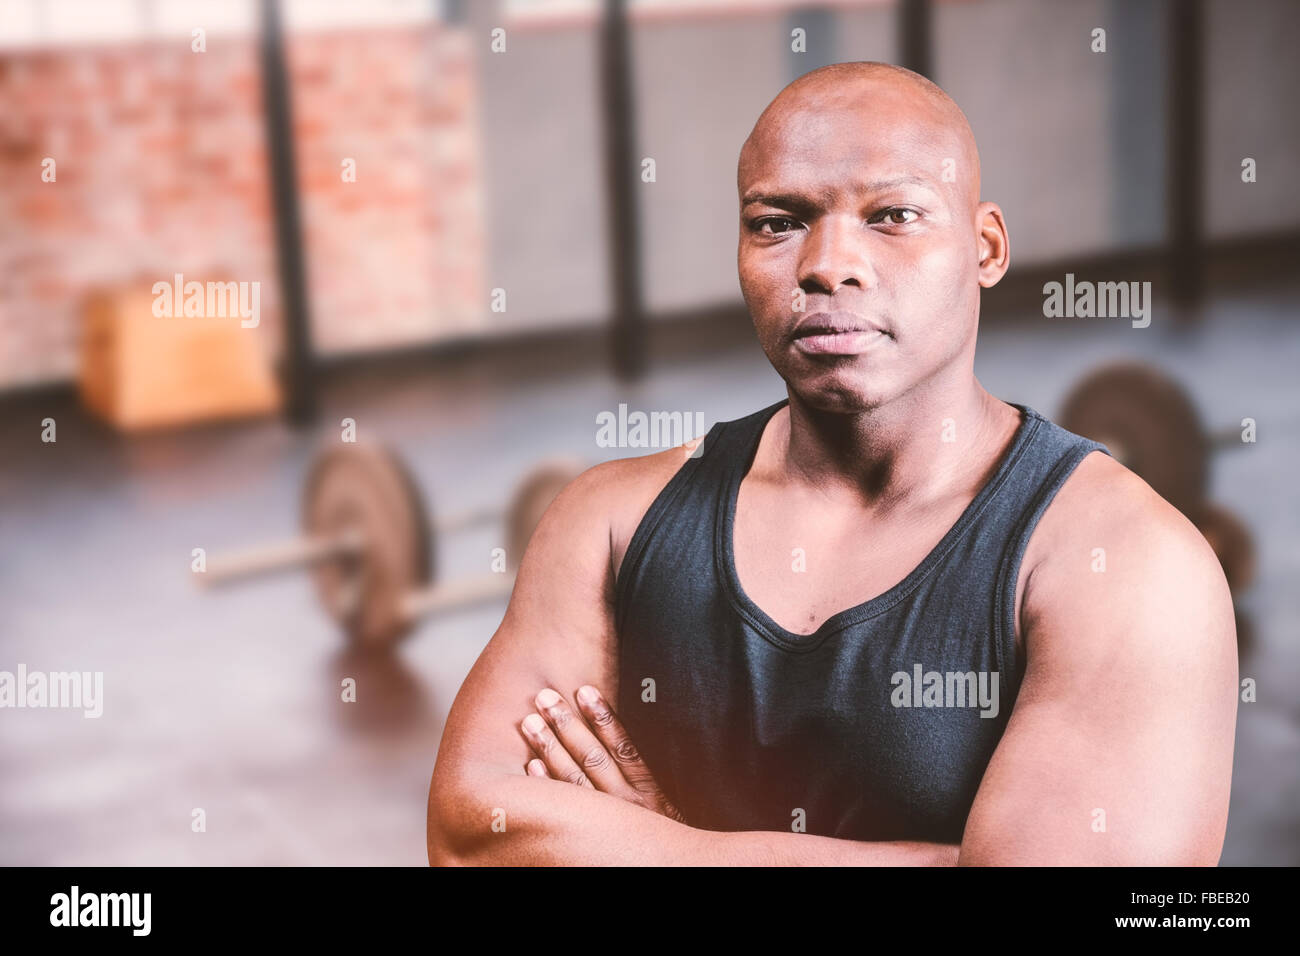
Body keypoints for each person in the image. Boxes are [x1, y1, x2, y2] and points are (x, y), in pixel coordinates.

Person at [426, 61, 1237, 865]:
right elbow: (468, 837)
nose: (825, 264)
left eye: (892, 216)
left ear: (985, 248)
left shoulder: (1128, 565)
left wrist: (661, 843)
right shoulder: (608, 521)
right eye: (777, 222)